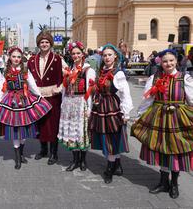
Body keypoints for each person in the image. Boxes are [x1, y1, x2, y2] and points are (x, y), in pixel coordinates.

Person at [131, 49, 193, 199]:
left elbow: (191, 100)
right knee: (162, 150)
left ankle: (174, 184)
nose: (168, 64)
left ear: (176, 61)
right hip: (159, 117)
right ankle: (163, 182)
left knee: (176, 151)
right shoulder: (154, 78)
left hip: (178, 119)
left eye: (171, 60)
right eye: (165, 61)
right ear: (161, 63)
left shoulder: (185, 78)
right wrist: (139, 116)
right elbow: (148, 100)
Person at [0, 46, 52, 169]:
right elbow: (2, 87)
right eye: (14, 56)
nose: (16, 59)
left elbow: (32, 84)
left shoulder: (25, 70)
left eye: (18, 57)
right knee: (15, 129)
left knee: (24, 129)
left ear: (21, 58)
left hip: (24, 100)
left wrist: (40, 97)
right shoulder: (6, 71)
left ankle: (21, 154)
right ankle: (17, 158)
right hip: (11, 101)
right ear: (10, 58)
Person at [88, 44, 133, 184]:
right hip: (100, 106)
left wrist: (126, 113)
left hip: (112, 106)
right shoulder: (101, 71)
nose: (107, 57)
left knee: (112, 136)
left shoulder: (117, 73)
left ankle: (110, 168)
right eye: (105, 55)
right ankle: (117, 165)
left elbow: (125, 93)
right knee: (107, 136)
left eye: (110, 55)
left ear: (115, 56)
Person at [28, 27, 64, 165]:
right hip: (38, 96)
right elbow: (29, 77)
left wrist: (59, 89)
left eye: (47, 42)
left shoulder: (57, 59)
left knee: (53, 124)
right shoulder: (32, 60)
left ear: (50, 44)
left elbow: (62, 76)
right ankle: (43, 150)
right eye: (42, 42)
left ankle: (54, 153)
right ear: (38, 44)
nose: (44, 44)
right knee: (41, 124)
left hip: (53, 95)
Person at [58, 41, 95, 171]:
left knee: (82, 132)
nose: (75, 56)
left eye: (78, 53)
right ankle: (75, 160)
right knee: (72, 132)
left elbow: (89, 91)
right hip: (69, 103)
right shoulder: (69, 69)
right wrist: (63, 102)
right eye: (73, 53)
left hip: (81, 103)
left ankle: (83, 160)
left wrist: (89, 108)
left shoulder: (88, 70)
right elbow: (64, 88)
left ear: (83, 54)